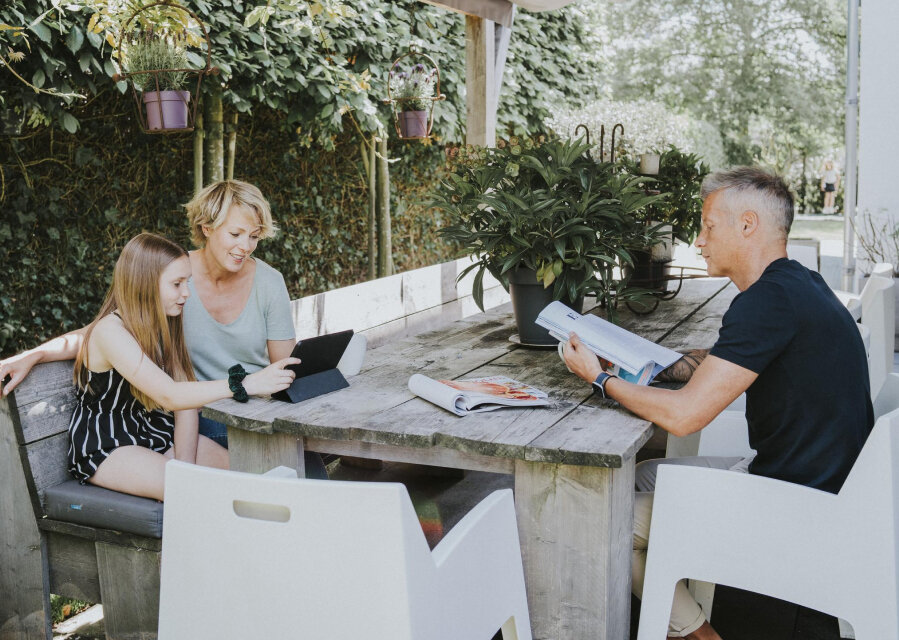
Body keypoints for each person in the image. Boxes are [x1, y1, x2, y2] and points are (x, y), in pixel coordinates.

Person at [562, 166, 873, 639]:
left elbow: (684, 416)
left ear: (747, 224)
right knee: (643, 475)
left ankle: (699, 634)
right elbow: (729, 360)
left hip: (792, 507)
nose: (699, 241)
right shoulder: (798, 285)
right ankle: (685, 588)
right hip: (824, 485)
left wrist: (601, 378)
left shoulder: (766, 301)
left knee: (599, 521)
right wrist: (656, 365)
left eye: (708, 226)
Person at [0, 179, 329, 479]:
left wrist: (186, 470)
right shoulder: (144, 302)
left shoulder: (173, 312)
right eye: (236, 234)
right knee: (257, 479)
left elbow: (181, 394)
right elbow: (156, 383)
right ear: (207, 228)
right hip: (127, 437)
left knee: (287, 472)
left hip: (162, 426)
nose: (246, 246)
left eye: (254, 236)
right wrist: (35, 354)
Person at [67, 233, 299, 501]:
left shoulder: (165, 323)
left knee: (252, 479)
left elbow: (185, 404)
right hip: (108, 442)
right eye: (177, 284)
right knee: (198, 493)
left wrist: (186, 467)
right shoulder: (110, 332)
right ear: (144, 284)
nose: (186, 293)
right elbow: (171, 394)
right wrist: (246, 383)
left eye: (186, 283)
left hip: (153, 429)